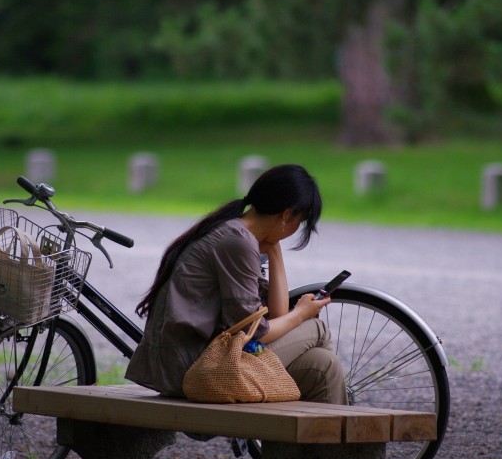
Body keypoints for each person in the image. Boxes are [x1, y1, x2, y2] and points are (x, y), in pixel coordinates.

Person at [125, 164, 347, 405]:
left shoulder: (238, 232)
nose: (296, 230)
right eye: (300, 221)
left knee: (325, 365)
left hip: (206, 360)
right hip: (197, 369)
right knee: (318, 329)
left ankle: (306, 441)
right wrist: (302, 314)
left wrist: (274, 250)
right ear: (286, 214)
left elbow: (277, 314)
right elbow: (256, 332)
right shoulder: (236, 241)